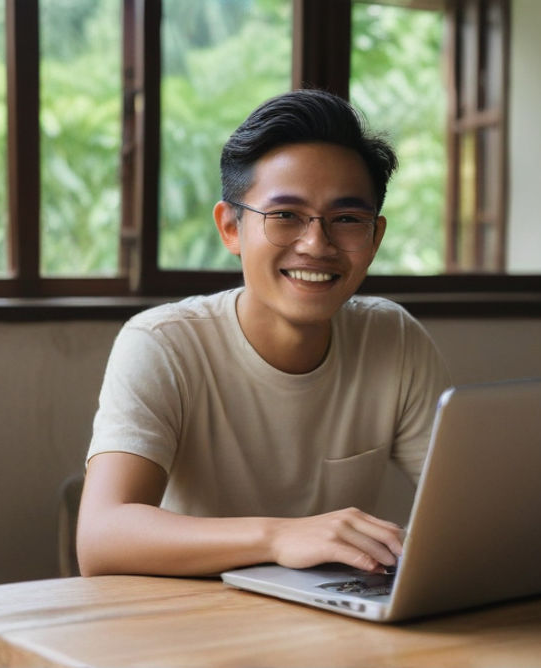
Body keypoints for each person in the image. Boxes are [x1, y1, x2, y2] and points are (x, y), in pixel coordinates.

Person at [76, 88, 450, 578]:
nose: (316, 244)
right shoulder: (163, 343)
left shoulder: (394, 339)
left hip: (332, 626)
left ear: (375, 238)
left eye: (346, 220)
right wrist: (280, 536)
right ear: (230, 227)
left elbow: (474, 510)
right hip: (190, 625)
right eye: (285, 216)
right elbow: (101, 539)